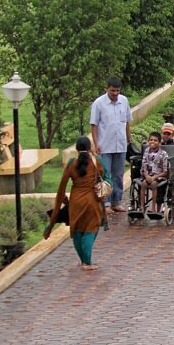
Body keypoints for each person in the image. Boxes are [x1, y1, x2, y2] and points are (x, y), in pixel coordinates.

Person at [45, 136, 106, 270]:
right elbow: (106, 177)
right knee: (90, 229)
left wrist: (63, 202)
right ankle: (87, 262)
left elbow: (62, 186)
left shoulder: (71, 163)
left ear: (77, 149)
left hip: (75, 201)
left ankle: (83, 260)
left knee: (77, 230)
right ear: (90, 148)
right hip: (92, 200)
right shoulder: (97, 162)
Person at [89, 76, 132, 216]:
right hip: (105, 145)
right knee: (105, 176)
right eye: (112, 90)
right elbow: (94, 125)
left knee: (118, 175)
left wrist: (129, 139)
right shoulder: (99, 103)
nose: (115, 93)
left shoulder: (124, 101)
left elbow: (126, 122)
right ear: (106, 88)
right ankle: (105, 203)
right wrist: (96, 144)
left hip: (120, 145)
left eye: (117, 91)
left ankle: (117, 202)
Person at [133, 131, 170, 221]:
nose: (152, 142)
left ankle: (153, 208)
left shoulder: (163, 154)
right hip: (147, 175)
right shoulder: (146, 151)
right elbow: (143, 165)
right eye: (151, 140)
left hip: (159, 176)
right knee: (144, 184)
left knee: (153, 184)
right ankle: (141, 208)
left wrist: (154, 177)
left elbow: (165, 171)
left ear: (160, 143)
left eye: (155, 140)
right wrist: (146, 175)